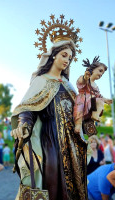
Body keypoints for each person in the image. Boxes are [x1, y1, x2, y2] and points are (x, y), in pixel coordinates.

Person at [11, 15, 88, 200]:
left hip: (72, 142)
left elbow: (79, 113)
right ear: (53, 55)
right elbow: (27, 108)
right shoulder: (41, 81)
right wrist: (24, 124)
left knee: (76, 185)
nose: (67, 60)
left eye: (70, 57)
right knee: (52, 178)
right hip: (50, 140)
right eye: (64, 55)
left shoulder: (69, 86)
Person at [73, 56, 112, 133]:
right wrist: (85, 77)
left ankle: (95, 115)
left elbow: (99, 96)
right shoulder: (85, 78)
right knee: (80, 107)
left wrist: (105, 100)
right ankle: (78, 124)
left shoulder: (96, 86)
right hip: (83, 101)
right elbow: (81, 82)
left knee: (100, 101)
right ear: (92, 69)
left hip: (91, 105)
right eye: (100, 71)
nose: (101, 74)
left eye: (102, 73)